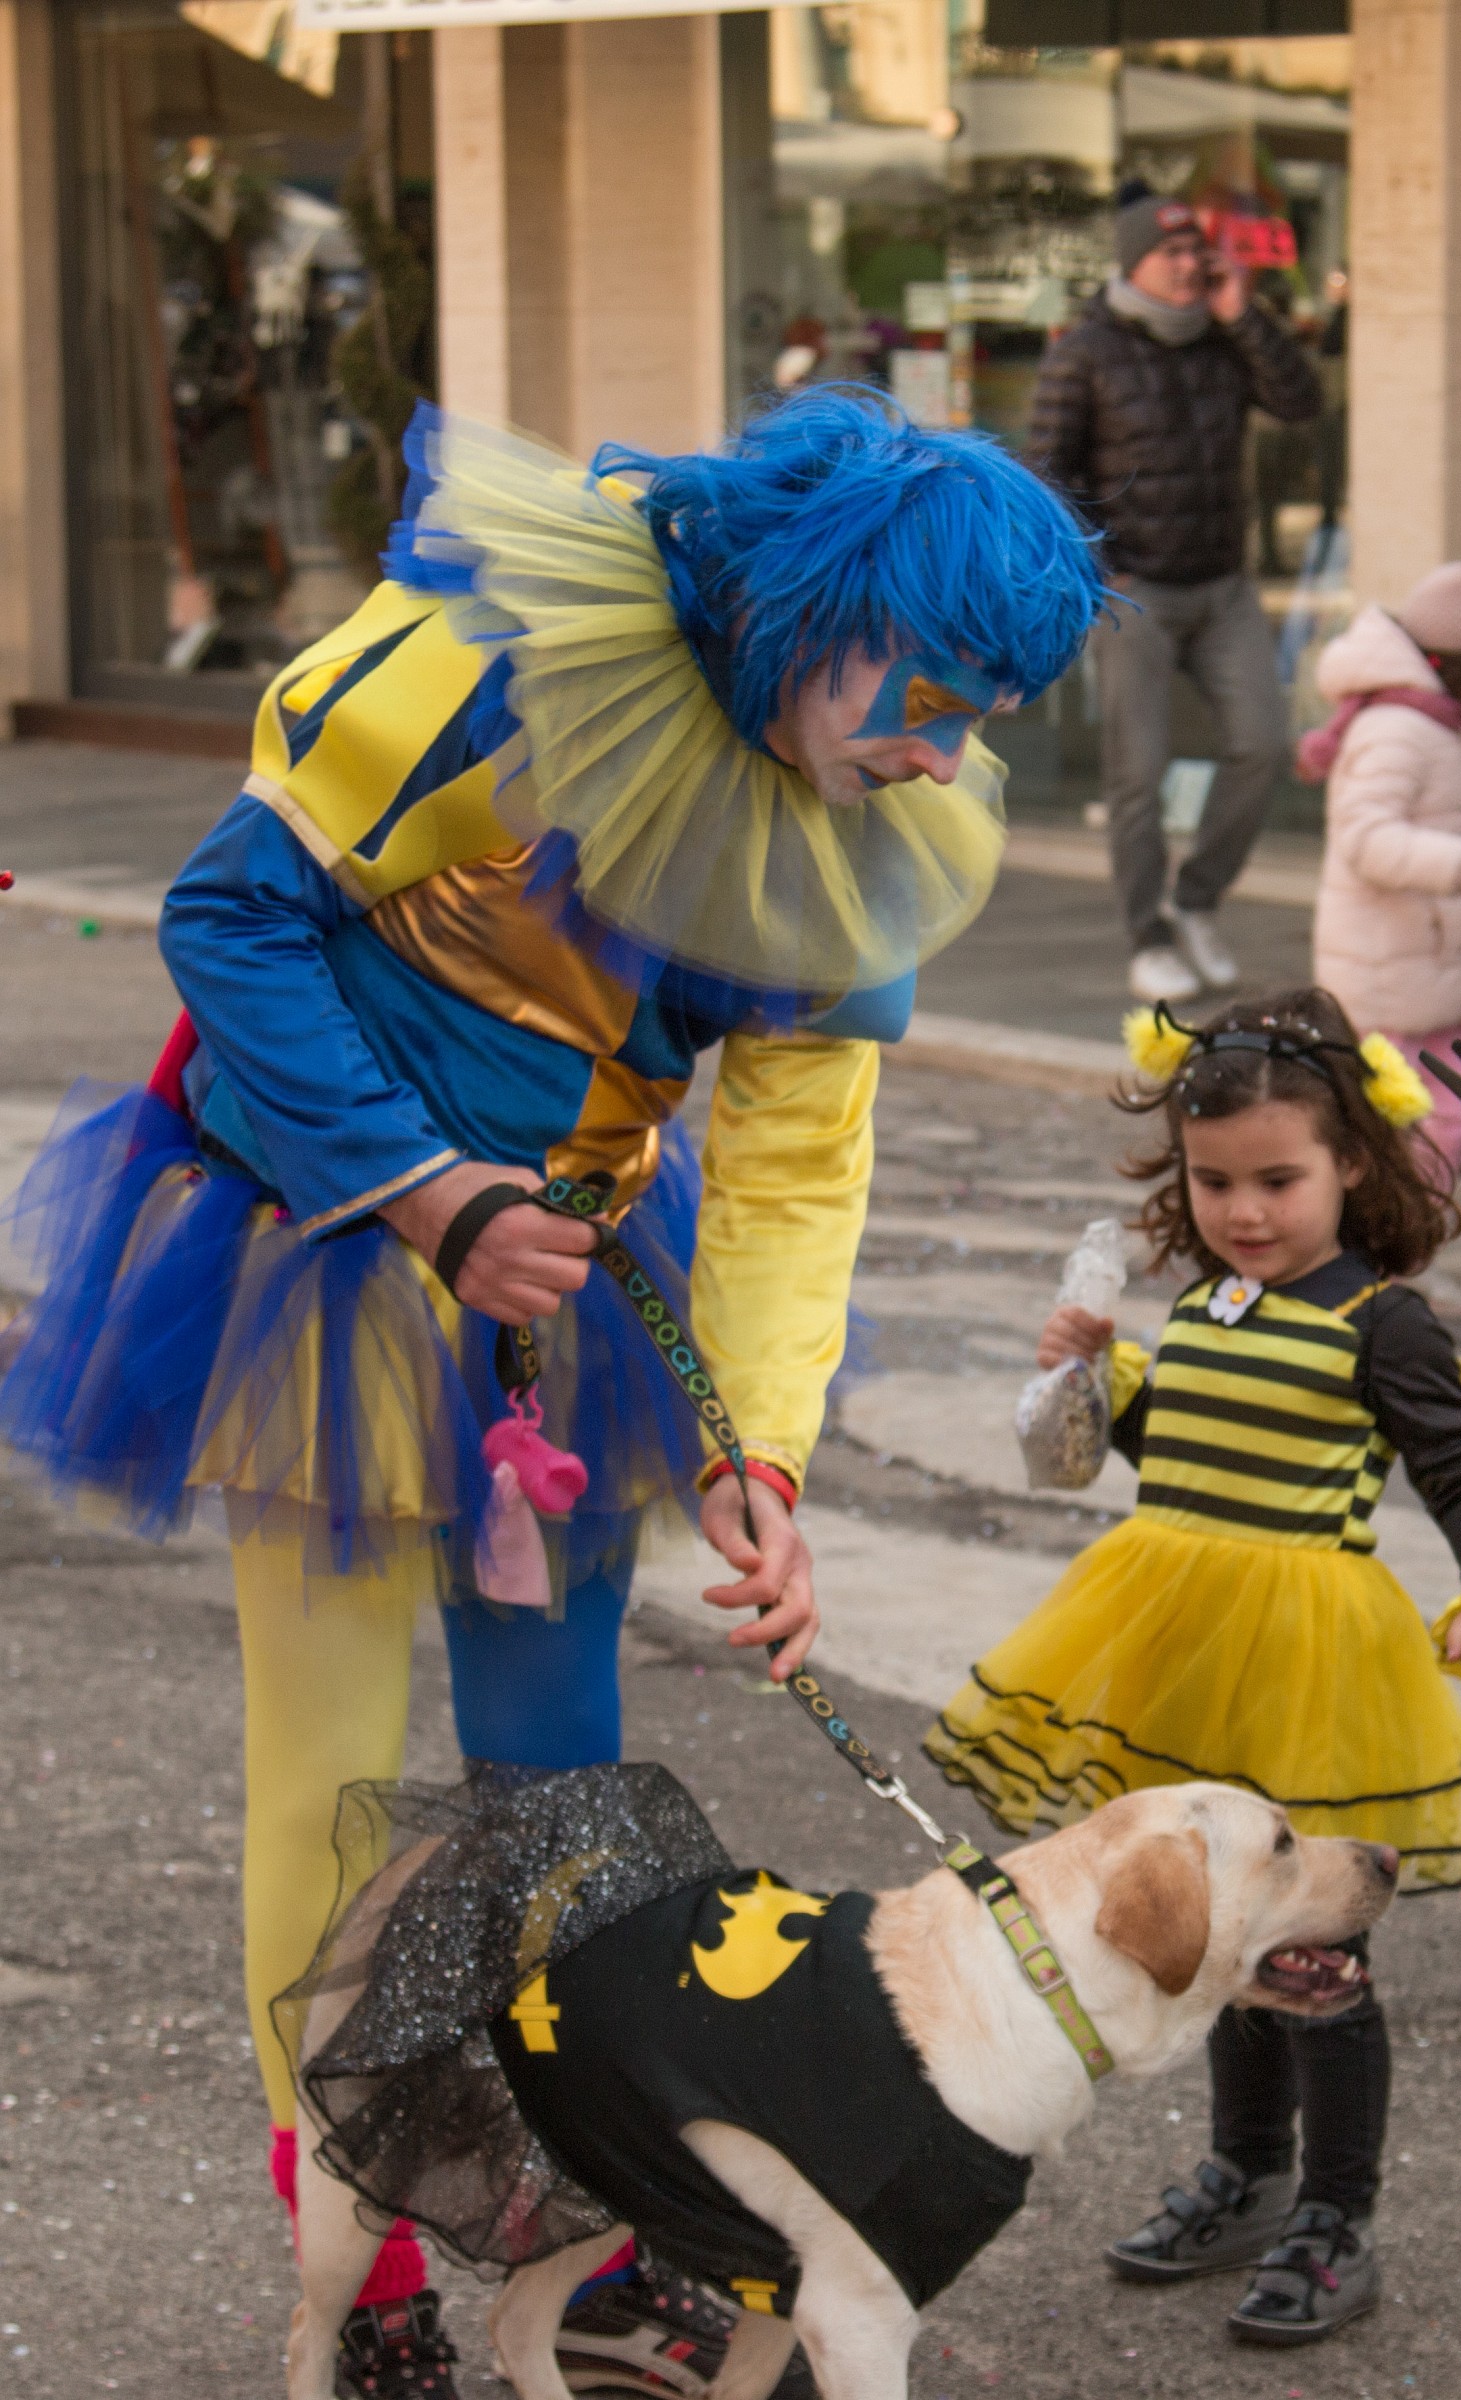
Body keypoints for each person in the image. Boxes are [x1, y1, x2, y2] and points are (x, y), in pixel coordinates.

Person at [0, 389, 1105, 2399]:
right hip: (310, 1257)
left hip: (579, 1292)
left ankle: (563, 2212)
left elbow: (794, 1163)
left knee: (558, 1796)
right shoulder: (469, 670)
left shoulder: (873, 827)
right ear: (819, 615)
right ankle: (357, 2257)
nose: (942, 755)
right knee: (331, 1792)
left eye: (981, 718)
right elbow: (229, 921)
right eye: (929, 695)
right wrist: (425, 1193)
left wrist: (759, 1452)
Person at [923, 988, 1461, 2347]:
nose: (1244, 1210)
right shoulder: (1207, 1304)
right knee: (1230, 1937)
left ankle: (1336, 2210)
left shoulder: (1382, 1320)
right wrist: (1099, 1386)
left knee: (1321, 1950)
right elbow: (1171, 1453)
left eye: (1277, 1180)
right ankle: (1245, 2170)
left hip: (1310, 1670)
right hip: (1179, 1648)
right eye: (1214, 1182)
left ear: (1352, 1166)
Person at [1028, 191, 1323, 1006]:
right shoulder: (1085, 351)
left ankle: (1195, 902)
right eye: (1174, 254)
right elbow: (1045, 474)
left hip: (1222, 585)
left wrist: (1246, 316)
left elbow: (1302, 402)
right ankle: (1147, 936)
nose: (1192, 265)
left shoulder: (1225, 341)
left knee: (1262, 746)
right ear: (1132, 265)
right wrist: (1100, 569)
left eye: (1201, 252)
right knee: (1138, 774)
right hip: (1137, 591)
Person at [1305, 561, 1461, 1182]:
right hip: (1389, 973)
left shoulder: (1426, 723)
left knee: (1434, 1112)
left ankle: (1401, 1227)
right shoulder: (1396, 730)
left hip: (1418, 967)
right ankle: (1398, 1230)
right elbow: (1365, 837)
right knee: (1424, 1119)